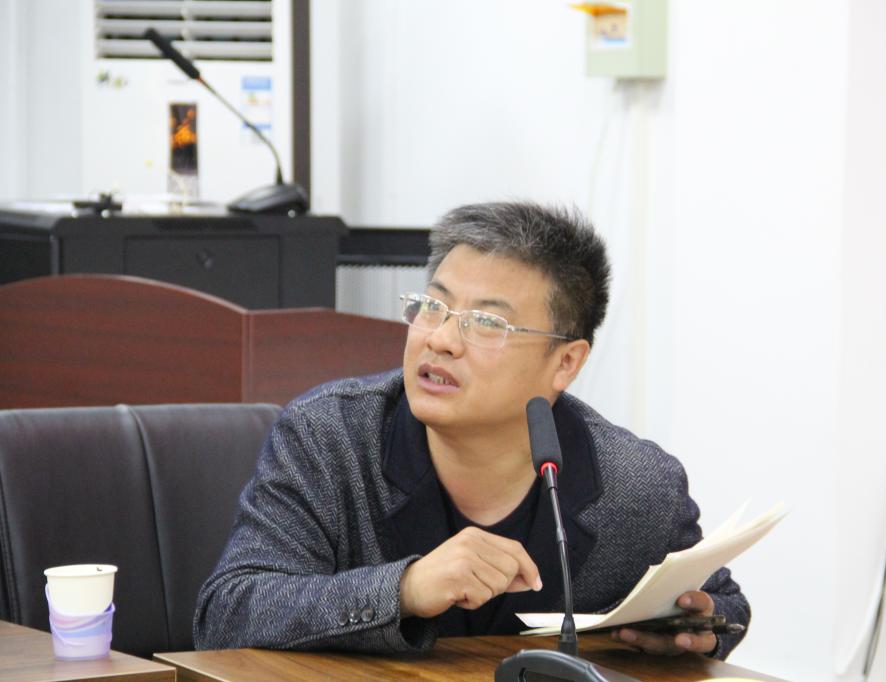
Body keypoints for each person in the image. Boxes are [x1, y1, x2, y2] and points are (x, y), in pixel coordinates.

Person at [193, 201, 750, 659]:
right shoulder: (329, 438)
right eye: (432, 307)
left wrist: (698, 628)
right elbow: (227, 615)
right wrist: (405, 590)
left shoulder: (636, 485)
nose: (439, 340)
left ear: (565, 362)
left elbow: (721, 604)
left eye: (486, 322)